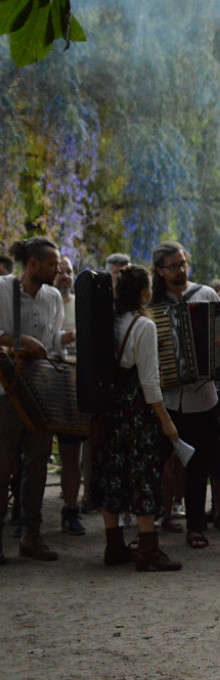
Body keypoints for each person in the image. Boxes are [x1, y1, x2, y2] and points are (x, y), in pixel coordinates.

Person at [91, 265, 182, 571]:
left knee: (112, 471)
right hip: (135, 411)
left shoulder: (108, 321)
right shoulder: (144, 326)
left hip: (109, 409)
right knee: (143, 473)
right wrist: (165, 419)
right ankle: (148, 550)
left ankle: (113, 545)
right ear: (145, 293)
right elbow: (149, 380)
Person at [151, 242, 220, 551]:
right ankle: (147, 526)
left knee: (200, 464)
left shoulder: (207, 295)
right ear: (160, 270)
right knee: (154, 461)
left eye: (184, 263)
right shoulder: (151, 302)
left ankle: (196, 526)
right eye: (173, 266)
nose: (181, 270)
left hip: (203, 397)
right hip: (165, 398)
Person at [0, 237, 64, 563]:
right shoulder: (2, 289)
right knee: (2, 464)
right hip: (7, 392)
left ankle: (31, 537)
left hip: (42, 392)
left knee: (38, 465)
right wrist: (21, 341)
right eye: (52, 264)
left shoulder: (54, 297)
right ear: (34, 265)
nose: (58, 270)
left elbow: (54, 344)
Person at [54, 255, 87, 536]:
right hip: (43, 386)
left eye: (68, 271)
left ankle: (72, 510)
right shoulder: (44, 304)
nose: (64, 276)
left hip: (73, 389)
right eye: (59, 271)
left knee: (71, 454)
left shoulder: (82, 306)